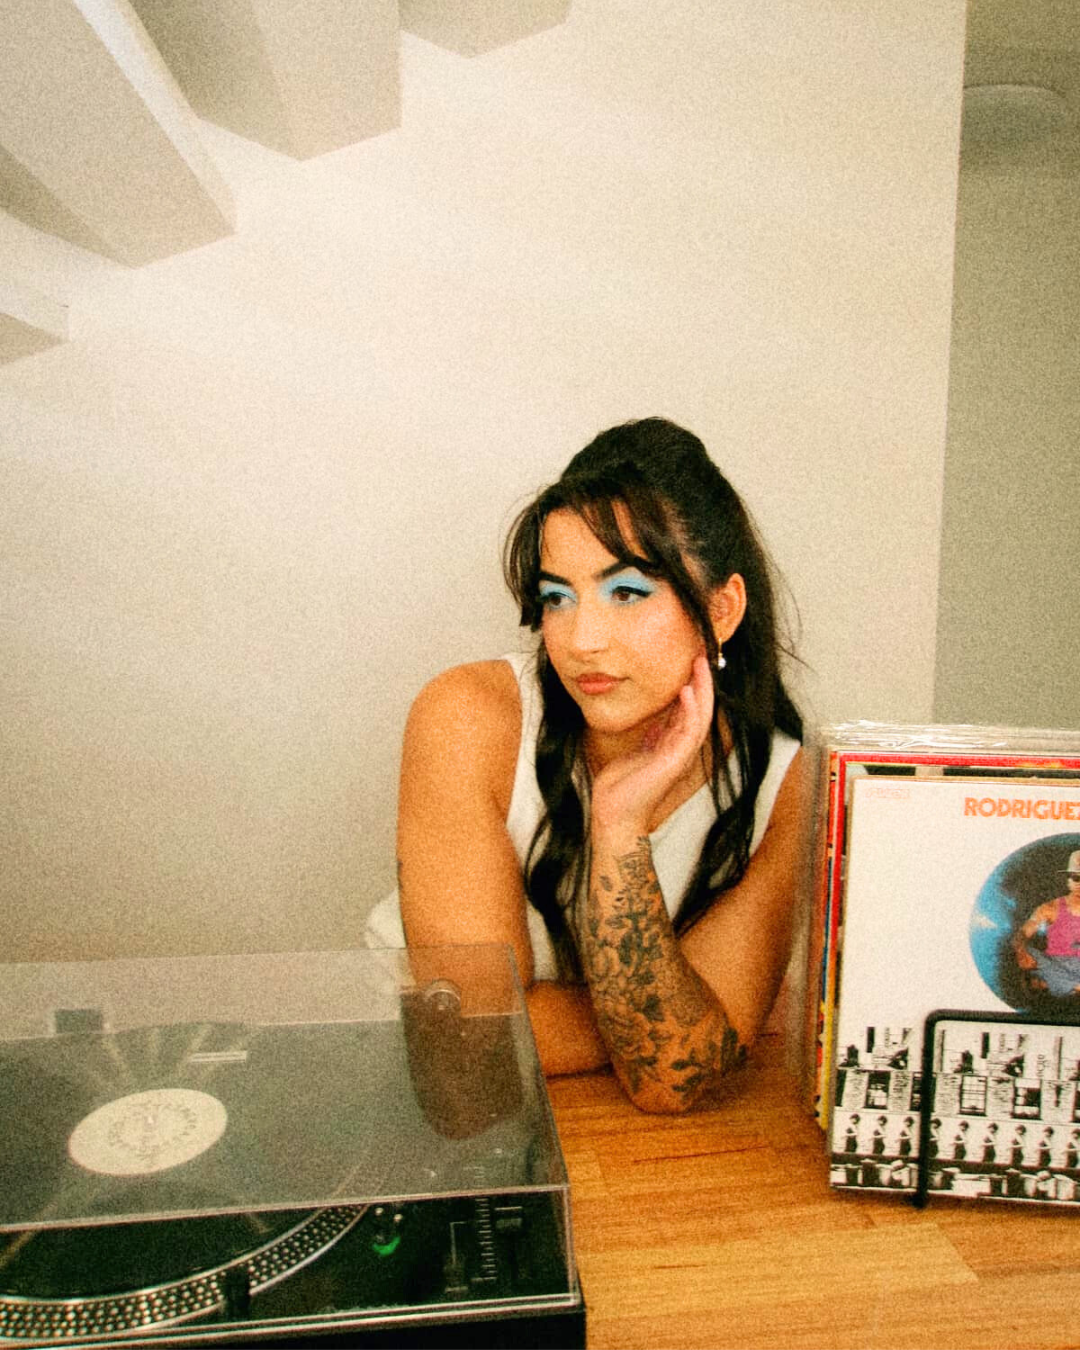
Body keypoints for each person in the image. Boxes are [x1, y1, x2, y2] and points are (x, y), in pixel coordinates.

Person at [365, 418, 807, 1114]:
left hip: (630, 1146)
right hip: (434, 1114)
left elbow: (671, 1080)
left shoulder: (785, 785)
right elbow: (472, 1041)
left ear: (722, 611)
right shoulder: (467, 716)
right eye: (556, 597)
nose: (581, 639)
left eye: (626, 592)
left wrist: (620, 824)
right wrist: (693, 1016)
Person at [1013, 850, 1080, 998]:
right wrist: (1021, 951)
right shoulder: (1050, 908)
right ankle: (1072, 986)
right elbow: (1022, 933)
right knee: (1031, 954)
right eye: (1076, 878)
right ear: (1068, 879)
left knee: (1047, 980)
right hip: (1056, 964)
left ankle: (1068, 986)